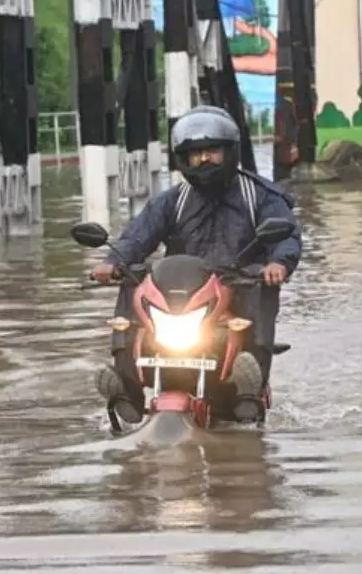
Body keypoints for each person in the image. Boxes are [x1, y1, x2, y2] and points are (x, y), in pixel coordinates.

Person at [92, 105, 302, 425]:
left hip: (238, 289)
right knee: (131, 282)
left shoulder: (259, 195)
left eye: (212, 152)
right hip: (184, 293)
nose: (203, 160)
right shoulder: (171, 201)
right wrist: (113, 261)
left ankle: (249, 386)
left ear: (229, 152)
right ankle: (128, 387)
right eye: (195, 154)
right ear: (183, 159)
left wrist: (277, 263)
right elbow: (137, 237)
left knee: (263, 287)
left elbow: (285, 234)